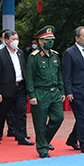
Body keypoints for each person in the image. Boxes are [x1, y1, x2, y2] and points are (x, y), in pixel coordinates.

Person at [26, 26, 65, 158]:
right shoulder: (34, 57)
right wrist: (31, 95)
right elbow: (29, 77)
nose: (50, 42)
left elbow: (59, 74)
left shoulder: (55, 56)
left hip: (54, 92)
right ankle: (42, 148)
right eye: (47, 40)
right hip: (40, 92)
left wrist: (62, 91)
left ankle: (44, 140)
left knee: (58, 117)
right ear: (41, 41)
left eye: (52, 39)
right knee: (40, 122)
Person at [0, 30, 33, 146]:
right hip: (6, 89)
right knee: (1, 113)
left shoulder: (20, 53)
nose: (16, 42)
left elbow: (23, 70)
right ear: (6, 41)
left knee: (21, 113)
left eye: (17, 39)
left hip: (20, 87)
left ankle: (21, 136)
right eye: (13, 39)